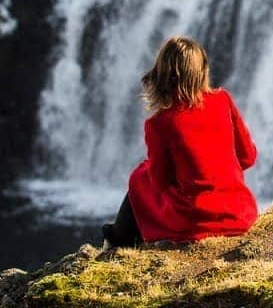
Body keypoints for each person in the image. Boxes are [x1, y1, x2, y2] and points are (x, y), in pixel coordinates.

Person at [102, 36, 260, 247]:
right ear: (202, 71)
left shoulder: (160, 123)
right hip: (240, 214)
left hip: (195, 222)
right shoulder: (223, 100)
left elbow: (159, 181)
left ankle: (116, 241)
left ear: (162, 76)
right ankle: (119, 238)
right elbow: (248, 157)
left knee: (140, 177)